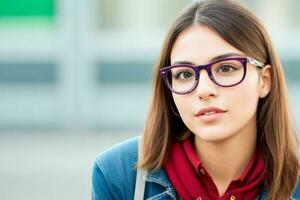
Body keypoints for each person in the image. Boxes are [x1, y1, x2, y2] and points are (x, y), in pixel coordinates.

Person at [91, 0, 300, 199]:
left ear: (264, 81)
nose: (204, 90)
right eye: (185, 74)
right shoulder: (118, 174)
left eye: (226, 68)